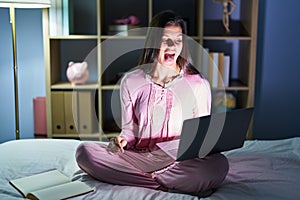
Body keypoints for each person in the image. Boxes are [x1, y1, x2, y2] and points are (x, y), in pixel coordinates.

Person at [76, 10, 229, 197]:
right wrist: (122, 140)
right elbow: (129, 130)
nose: (172, 46)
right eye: (166, 40)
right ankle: (162, 184)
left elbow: (201, 137)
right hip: (140, 157)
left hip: (178, 161)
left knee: (219, 165)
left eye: (178, 40)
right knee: (84, 152)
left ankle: (147, 179)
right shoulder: (131, 80)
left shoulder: (198, 84)